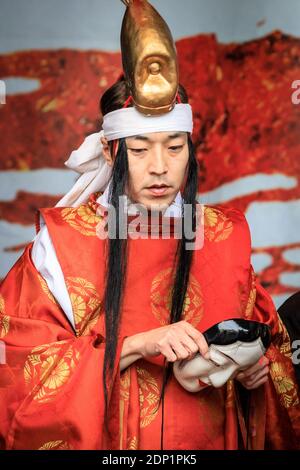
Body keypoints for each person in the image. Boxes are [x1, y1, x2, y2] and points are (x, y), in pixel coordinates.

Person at [0, 0, 299, 451]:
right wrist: (138, 344)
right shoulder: (62, 243)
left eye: (175, 148)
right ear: (108, 152)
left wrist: (259, 374)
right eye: (139, 150)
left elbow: (271, 345)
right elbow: (19, 373)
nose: (159, 168)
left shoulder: (224, 235)